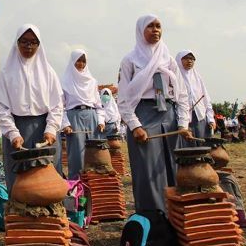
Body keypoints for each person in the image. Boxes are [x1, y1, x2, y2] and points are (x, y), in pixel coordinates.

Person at [117, 15, 192, 214]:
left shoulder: (168, 59)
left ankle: (174, 217)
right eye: (150, 26)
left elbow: (182, 95)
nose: (155, 30)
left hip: (169, 116)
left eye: (158, 26)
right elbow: (123, 99)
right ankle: (153, 218)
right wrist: (135, 126)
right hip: (143, 115)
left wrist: (183, 123)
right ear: (141, 30)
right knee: (148, 172)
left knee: (172, 167)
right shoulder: (130, 60)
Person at [0, 24, 64, 192]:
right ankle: (19, 216)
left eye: (33, 42)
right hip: (17, 131)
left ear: (39, 45)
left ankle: (48, 217)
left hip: (44, 130)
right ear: (16, 43)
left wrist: (52, 129)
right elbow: (2, 108)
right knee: (19, 180)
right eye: (24, 41)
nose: (28, 46)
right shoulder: (6, 74)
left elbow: (57, 104)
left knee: (48, 180)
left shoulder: (48, 73)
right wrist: (13, 133)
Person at [60, 49, 105, 179]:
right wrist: (65, 124)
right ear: (72, 62)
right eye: (78, 61)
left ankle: (94, 182)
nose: (81, 64)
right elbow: (60, 107)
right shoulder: (65, 81)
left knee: (95, 152)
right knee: (76, 154)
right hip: (74, 117)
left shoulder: (92, 81)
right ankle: (76, 184)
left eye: (83, 61)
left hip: (92, 117)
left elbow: (98, 105)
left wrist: (101, 121)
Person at [175, 50, 216, 140]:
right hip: (181, 117)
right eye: (185, 58)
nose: (189, 61)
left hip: (199, 116)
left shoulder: (197, 77)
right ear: (178, 60)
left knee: (202, 143)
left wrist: (210, 118)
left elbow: (206, 98)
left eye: (192, 59)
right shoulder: (174, 76)